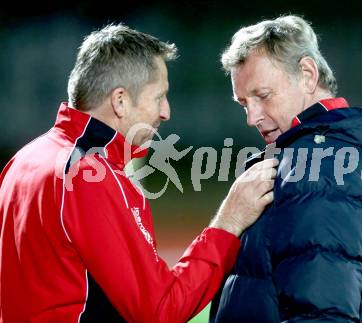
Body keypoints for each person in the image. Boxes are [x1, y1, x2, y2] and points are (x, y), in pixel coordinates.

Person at [0, 24, 278, 322]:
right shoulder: (88, 174)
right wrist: (229, 221)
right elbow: (160, 310)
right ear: (120, 100)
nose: (166, 111)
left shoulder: (24, 160)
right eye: (159, 97)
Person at [210, 15, 362, 322]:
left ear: (307, 74)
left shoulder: (320, 162)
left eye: (263, 96)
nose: (252, 117)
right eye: (243, 103)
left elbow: (322, 312)